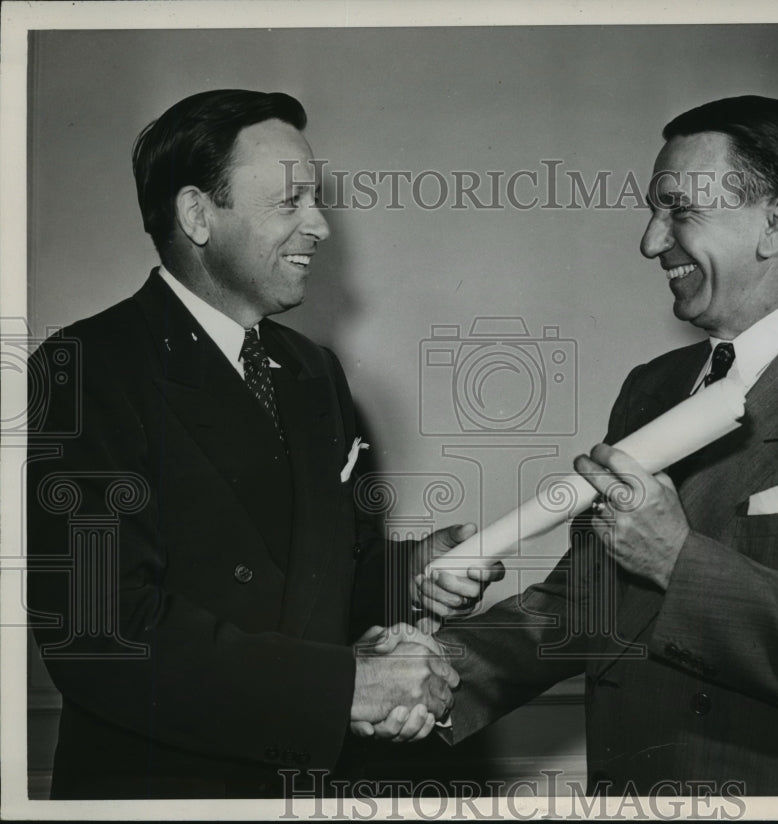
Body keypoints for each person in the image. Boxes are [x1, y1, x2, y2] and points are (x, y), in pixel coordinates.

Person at [363, 95, 778, 795]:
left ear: (777, 224)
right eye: (653, 209)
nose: (649, 241)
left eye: (680, 210)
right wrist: (437, 671)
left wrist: (680, 560)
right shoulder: (655, 385)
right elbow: (588, 604)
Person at [26, 89, 501, 800]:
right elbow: (102, 632)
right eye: (291, 201)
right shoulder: (87, 367)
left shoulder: (313, 371)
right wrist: (346, 686)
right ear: (196, 215)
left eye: (317, 199)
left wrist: (408, 575)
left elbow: (315, 579)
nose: (320, 226)